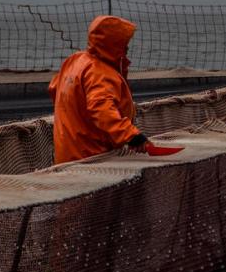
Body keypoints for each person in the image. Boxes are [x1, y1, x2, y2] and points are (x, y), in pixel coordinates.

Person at [48, 15, 150, 164]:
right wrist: (132, 137)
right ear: (113, 44)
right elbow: (102, 110)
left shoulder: (74, 61)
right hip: (92, 158)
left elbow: (54, 89)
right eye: (124, 43)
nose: (127, 47)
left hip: (65, 155)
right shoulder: (100, 73)